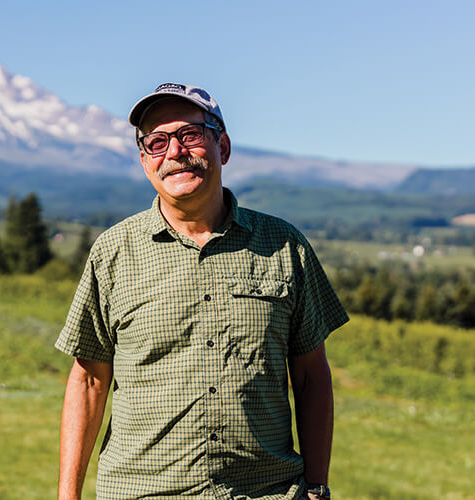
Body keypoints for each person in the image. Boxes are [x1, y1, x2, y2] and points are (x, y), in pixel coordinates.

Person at [56, 83, 348, 500]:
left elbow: (311, 376)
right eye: (156, 142)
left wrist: (317, 488)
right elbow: (88, 382)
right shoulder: (112, 252)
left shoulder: (285, 245)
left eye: (190, 135)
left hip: (265, 492)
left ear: (222, 146)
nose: (174, 152)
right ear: (144, 162)